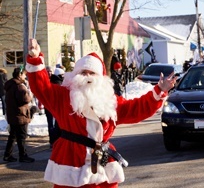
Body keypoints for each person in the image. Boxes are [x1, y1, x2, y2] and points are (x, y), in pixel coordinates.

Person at [26, 38, 176, 188]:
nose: (88, 77)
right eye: (83, 73)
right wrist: (35, 59)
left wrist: (159, 90)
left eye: (92, 73)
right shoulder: (63, 97)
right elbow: (41, 87)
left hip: (101, 161)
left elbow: (137, 108)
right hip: (71, 162)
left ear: (101, 78)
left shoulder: (111, 102)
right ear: (75, 75)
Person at [3, 67, 35, 163]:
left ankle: (7, 155)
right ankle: (23, 155)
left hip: (13, 114)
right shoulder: (19, 86)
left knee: (12, 136)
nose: (25, 76)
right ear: (20, 75)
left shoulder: (10, 85)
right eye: (24, 74)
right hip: (20, 115)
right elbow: (25, 99)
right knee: (21, 136)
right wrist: (30, 94)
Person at [44, 68, 65, 148]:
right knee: (55, 125)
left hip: (49, 107)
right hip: (55, 108)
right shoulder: (58, 84)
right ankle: (54, 142)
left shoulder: (51, 82)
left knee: (51, 125)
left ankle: (52, 141)